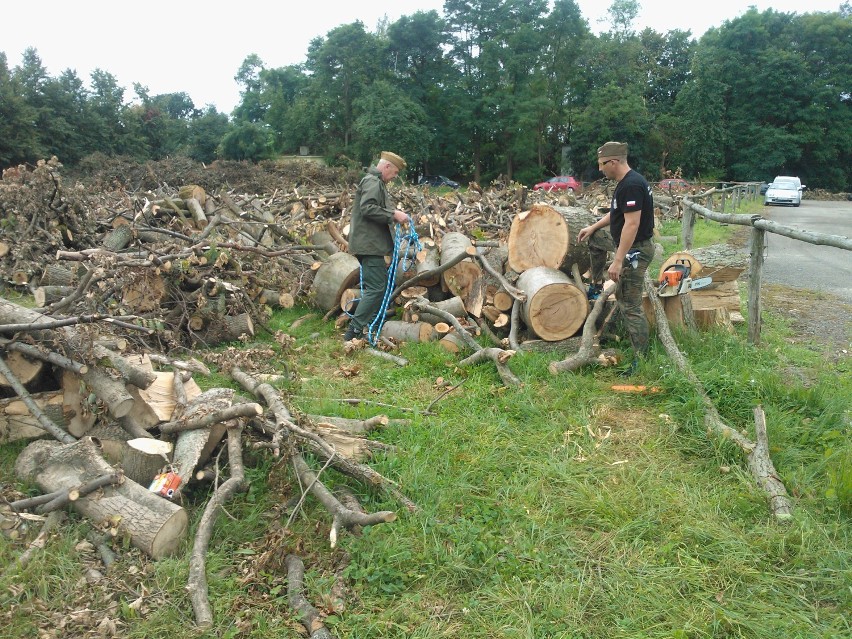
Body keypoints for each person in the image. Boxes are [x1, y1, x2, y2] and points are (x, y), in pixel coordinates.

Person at [576, 141, 655, 372]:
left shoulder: (631, 185)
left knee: (629, 304)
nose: (600, 169)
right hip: (625, 243)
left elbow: (631, 224)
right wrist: (593, 227)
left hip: (635, 250)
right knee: (594, 239)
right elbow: (617, 214)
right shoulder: (624, 183)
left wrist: (619, 260)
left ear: (613, 162)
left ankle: (642, 359)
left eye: (602, 164)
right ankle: (596, 284)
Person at [343, 151, 411, 341]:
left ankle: (368, 325)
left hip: (369, 244)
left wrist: (393, 214)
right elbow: (368, 208)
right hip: (369, 245)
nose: (395, 177)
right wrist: (393, 215)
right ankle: (354, 331)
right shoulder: (373, 182)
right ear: (386, 167)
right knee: (376, 288)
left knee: (374, 287)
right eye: (395, 172)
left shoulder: (375, 182)